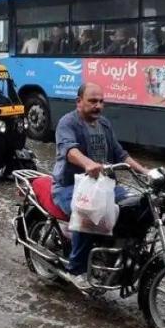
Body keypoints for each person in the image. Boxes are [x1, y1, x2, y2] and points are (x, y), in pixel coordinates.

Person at [52, 82, 148, 288]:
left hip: (104, 185)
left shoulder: (104, 124)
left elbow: (120, 153)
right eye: (92, 101)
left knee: (137, 207)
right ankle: (76, 269)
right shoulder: (67, 123)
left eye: (101, 102)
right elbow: (69, 150)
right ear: (79, 102)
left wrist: (146, 172)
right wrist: (87, 163)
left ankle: (119, 255)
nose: (98, 106)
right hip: (70, 187)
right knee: (90, 214)